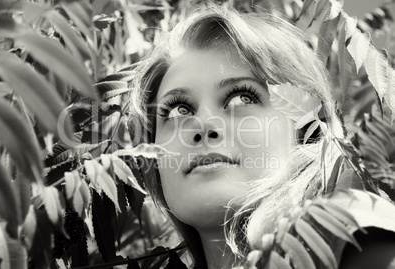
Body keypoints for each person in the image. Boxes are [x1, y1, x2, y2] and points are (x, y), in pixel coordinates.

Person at [127, 4, 395, 269]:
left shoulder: (356, 228)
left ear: (307, 129)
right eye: (177, 110)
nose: (203, 125)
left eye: (242, 98)